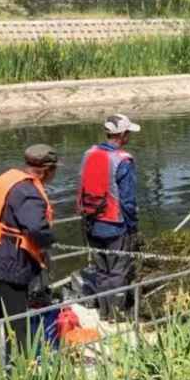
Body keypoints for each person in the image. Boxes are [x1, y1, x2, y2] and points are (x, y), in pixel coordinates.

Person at [0, 144, 58, 361]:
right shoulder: (29, 192)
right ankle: (18, 370)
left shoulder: (6, 179)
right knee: (17, 322)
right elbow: (36, 228)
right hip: (9, 265)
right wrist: (50, 240)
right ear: (47, 170)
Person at [77, 114, 140, 318]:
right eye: (128, 132)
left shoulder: (89, 154)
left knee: (101, 270)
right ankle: (116, 315)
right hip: (115, 225)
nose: (129, 135)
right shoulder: (123, 160)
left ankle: (104, 312)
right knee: (118, 271)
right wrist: (133, 228)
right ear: (122, 135)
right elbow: (128, 201)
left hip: (91, 222)